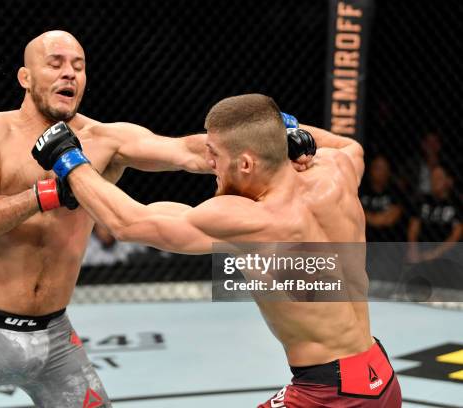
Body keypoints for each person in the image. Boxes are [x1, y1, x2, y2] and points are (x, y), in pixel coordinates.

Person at [0, 30, 307, 407]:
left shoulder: (104, 141)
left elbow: (190, 152)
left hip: (53, 337)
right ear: (26, 77)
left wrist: (272, 140)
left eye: (78, 65)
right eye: (55, 64)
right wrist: (45, 194)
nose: (70, 73)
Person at [37, 94, 402, 407]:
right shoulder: (336, 171)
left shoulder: (251, 220)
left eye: (214, 154)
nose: (208, 162)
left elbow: (130, 224)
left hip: (331, 395)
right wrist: (288, 127)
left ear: (245, 163)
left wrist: (68, 159)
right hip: (379, 375)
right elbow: (350, 147)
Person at [407, 165, 461, 262]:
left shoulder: (457, 204)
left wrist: (435, 253)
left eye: (439, 178)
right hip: (421, 251)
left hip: (447, 255)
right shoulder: (423, 201)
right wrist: (413, 250)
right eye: (432, 178)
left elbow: (456, 236)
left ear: (449, 181)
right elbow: (413, 228)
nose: (434, 181)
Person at [360, 155, 405, 241]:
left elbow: (392, 217)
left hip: (389, 239)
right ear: (371, 170)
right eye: (378, 168)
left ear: (389, 171)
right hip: (365, 237)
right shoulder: (362, 190)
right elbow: (356, 215)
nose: (381, 172)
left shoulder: (395, 190)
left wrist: (370, 217)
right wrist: (380, 218)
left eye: (384, 168)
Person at [82, 223, 148, 266]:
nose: (106, 230)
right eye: (102, 226)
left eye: (108, 226)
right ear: (95, 227)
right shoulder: (86, 244)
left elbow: (145, 253)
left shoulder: (126, 239)